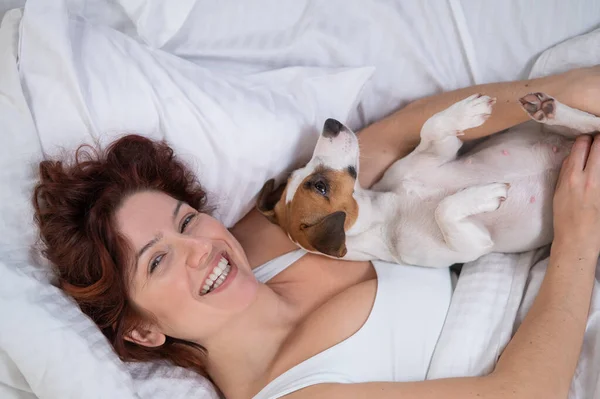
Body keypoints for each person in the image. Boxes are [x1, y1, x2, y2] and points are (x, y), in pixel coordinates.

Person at [33, 66, 600, 399]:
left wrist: (570, 89)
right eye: (157, 261)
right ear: (143, 330)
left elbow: (401, 134)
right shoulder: (299, 392)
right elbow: (523, 393)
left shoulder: (262, 238)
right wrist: (578, 236)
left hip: (530, 213)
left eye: (185, 220)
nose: (200, 249)